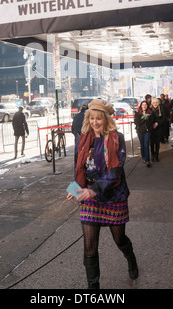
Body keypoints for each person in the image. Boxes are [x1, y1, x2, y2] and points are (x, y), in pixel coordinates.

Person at [67, 99, 138, 289]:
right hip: (90, 199)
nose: (95, 122)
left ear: (106, 119)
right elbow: (78, 165)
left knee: (119, 239)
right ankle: (93, 287)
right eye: (92, 118)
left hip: (113, 196)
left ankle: (130, 258)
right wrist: (75, 189)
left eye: (99, 118)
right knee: (89, 244)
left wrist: (93, 190)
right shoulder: (83, 138)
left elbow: (115, 171)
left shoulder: (117, 138)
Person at [134, 100, 154, 167]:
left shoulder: (150, 113)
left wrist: (148, 119)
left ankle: (148, 160)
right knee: (142, 145)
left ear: (147, 106)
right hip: (140, 131)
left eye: (145, 105)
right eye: (143, 105)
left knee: (146, 145)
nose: (144, 106)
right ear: (141, 106)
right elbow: (137, 122)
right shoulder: (137, 113)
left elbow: (151, 122)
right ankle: (143, 157)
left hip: (147, 131)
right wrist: (144, 118)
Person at [71, 100, 89, 165]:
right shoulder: (88, 117)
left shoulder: (76, 117)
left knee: (78, 162)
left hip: (78, 142)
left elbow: (72, 130)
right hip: (87, 144)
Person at [150, 98, 166, 162]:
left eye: (156, 102)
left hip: (159, 128)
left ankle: (156, 155)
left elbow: (164, 118)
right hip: (151, 129)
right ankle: (152, 155)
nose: (155, 104)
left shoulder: (161, 109)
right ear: (152, 103)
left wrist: (157, 123)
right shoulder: (150, 110)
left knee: (157, 143)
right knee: (151, 143)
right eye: (154, 103)